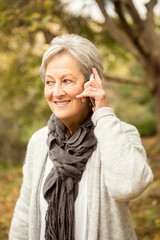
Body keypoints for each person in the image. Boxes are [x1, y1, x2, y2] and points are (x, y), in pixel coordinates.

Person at [9, 34, 153, 240]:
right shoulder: (39, 142)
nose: (56, 92)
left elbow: (129, 187)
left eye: (67, 81)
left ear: (91, 83)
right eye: (49, 82)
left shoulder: (118, 133)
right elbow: (25, 216)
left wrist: (102, 113)